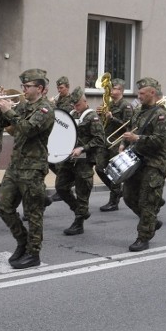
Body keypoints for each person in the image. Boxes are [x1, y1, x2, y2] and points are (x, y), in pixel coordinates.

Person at [0, 69, 55, 269]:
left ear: (40, 88)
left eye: (27, 86)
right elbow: (2, 124)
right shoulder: (24, 106)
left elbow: (27, 129)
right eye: (23, 86)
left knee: (33, 212)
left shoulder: (45, 109)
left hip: (33, 168)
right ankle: (23, 241)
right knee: (3, 207)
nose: (24, 90)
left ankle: (33, 253)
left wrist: (9, 110)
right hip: (16, 166)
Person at [120, 77, 166, 252]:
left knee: (147, 202)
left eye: (142, 93)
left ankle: (143, 237)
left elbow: (159, 140)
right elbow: (132, 132)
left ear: (152, 93)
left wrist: (137, 139)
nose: (139, 95)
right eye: (138, 92)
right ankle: (151, 221)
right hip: (137, 161)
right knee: (128, 196)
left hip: (154, 163)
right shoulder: (137, 112)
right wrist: (124, 144)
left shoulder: (161, 114)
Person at [55, 87, 105, 236]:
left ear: (84, 101)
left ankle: (78, 223)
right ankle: (79, 210)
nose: (75, 108)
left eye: (77, 105)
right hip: (69, 159)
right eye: (73, 105)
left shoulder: (92, 117)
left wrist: (83, 148)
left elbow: (99, 139)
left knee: (82, 192)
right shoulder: (70, 115)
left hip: (84, 161)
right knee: (60, 187)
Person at [97, 78, 134, 212]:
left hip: (117, 142)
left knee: (114, 172)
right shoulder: (110, 104)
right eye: (111, 88)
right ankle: (117, 191)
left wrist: (112, 118)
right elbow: (104, 122)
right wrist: (101, 115)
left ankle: (113, 202)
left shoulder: (126, 106)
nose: (111, 91)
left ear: (121, 90)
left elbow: (128, 126)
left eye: (114, 88)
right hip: (106, 140)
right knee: (100, 168)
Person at [49, 76, 74, 202]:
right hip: (56, 135)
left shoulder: (70, 100)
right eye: (58, 88)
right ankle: (65, 184)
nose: (59, 90)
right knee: (51, 162)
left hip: (65, 135)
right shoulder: (58, 99)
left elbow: (65, 115)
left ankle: (62, 189)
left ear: (67, 87)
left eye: (62, 88)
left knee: (60, 165)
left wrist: (53, 106)